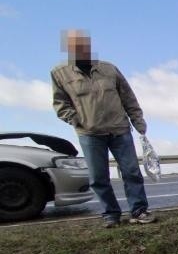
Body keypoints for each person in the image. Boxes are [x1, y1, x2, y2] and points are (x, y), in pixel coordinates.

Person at [51, 29, 156, 228]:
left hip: (119, 129)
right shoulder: (60, 73)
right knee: (99, 177)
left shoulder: (109, 69)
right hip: (90, 133)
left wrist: (138, 121)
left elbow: (128, 97)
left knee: (132, 172)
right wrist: (76, 120)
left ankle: (139, 210)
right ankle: (110, 214)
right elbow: (60, 104)